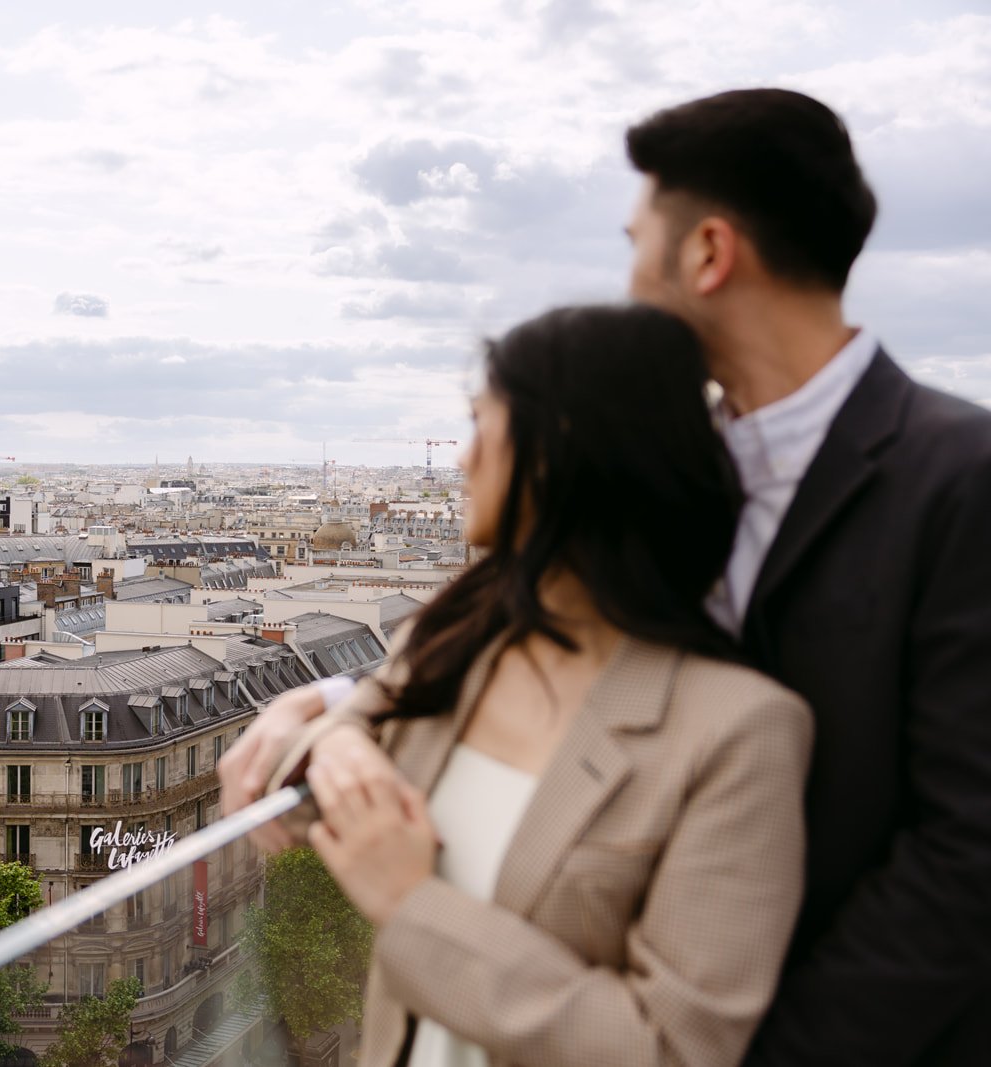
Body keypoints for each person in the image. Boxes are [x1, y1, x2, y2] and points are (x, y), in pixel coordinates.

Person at [224, 88, 991, 1065]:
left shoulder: (961, 478)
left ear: (707, 253)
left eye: (638, 243)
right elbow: (545, 638)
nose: (629, 281)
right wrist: (338, 701)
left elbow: (968, 855)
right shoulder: (652, 475)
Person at [263, 302, 814, 1067]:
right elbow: (308, 812)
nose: (460, 459)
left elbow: (674, 1047)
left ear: (558, 454)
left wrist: (413, 906)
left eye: (481, 424)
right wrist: (332, 729)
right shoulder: (452, 641)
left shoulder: (739, 733)